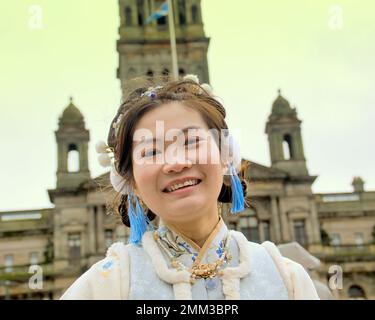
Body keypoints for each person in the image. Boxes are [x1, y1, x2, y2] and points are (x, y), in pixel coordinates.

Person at [61, 75, 319, 300]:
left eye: (191, 141)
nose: (176, 162)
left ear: (225, 154)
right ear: (132, 183)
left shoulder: (288, 280)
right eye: (150, 151)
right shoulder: (104, 287)